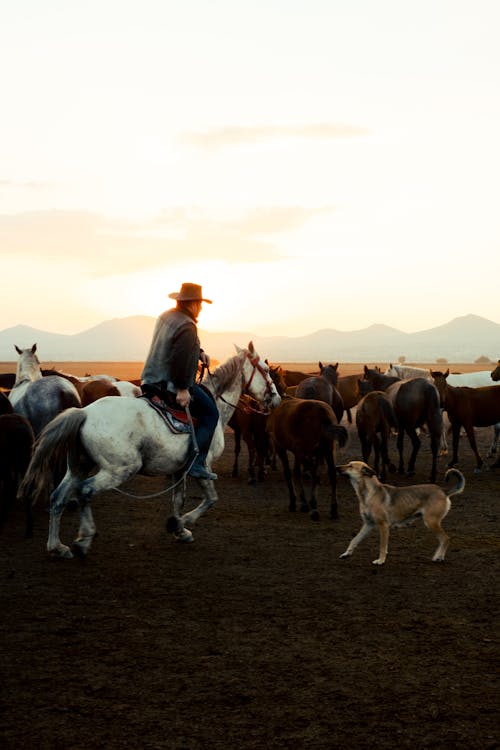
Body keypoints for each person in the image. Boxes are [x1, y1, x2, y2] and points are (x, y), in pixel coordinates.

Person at [141, 282, 219, 480]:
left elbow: (176, 345)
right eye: (200, 303)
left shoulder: (166, 316)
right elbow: (179, 359)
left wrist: (199, 352)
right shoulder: (187, 326)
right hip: (168, 382)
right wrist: (183, 389)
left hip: (150, 378)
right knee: (211, 414)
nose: (201, 308)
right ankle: (196, 463)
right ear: (192, 304)